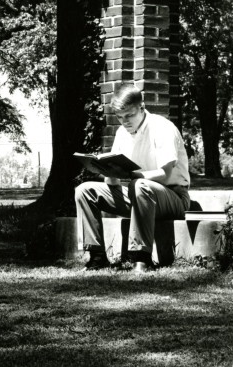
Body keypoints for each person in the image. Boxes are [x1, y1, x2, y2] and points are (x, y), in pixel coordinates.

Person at [74, 83, 191, 269]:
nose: (125, 122)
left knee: (140, 185)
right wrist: (108, 172)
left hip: (173, 196)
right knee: (84, 190)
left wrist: (130, 175)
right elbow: (113, 182)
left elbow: (164, 174)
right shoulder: (122, 133)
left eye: (129, 115)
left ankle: (141, 258)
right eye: (120, 117)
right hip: (136, 194)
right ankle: (97, 256)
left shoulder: (162, 127)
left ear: (142, 108)